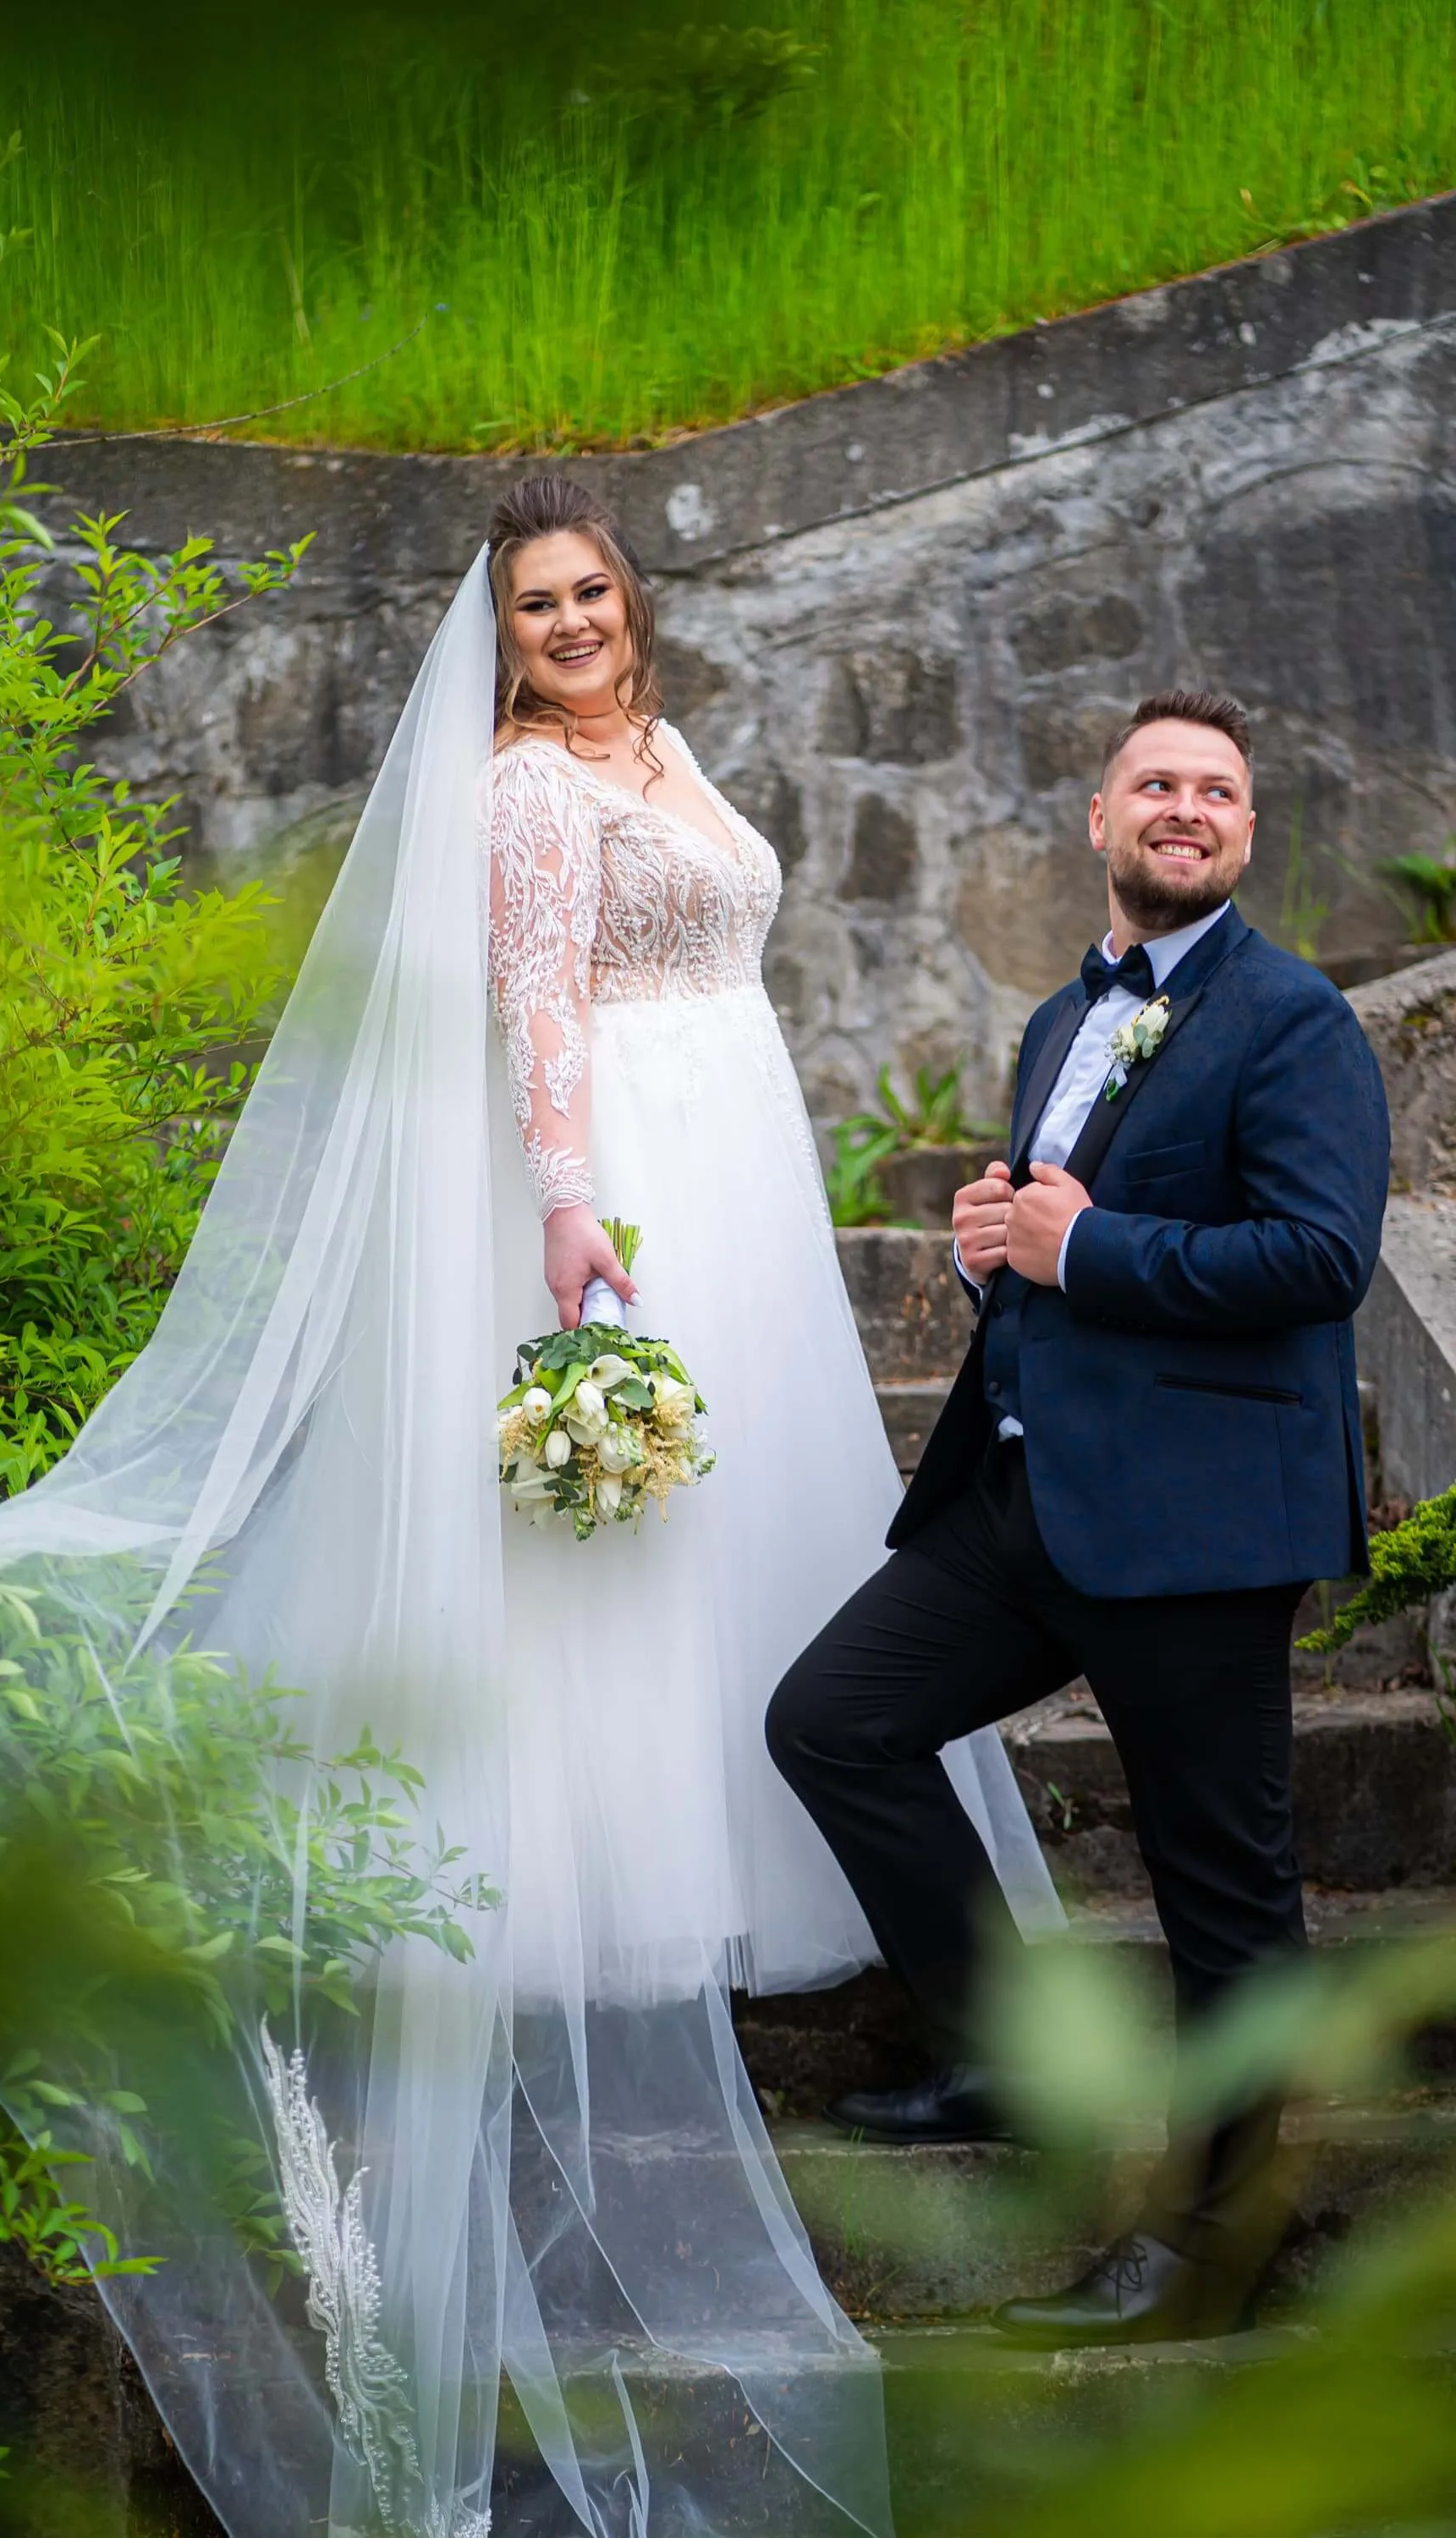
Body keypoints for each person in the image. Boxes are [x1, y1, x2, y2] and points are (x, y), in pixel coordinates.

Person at [0, 471, 1055, 2538]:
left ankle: (756, 1856)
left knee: (745, 1564)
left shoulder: (648, 746)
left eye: (589, 590)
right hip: (630, 1189)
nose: (568, 622)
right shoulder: (527, 794)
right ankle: (609, 1881)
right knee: (617, 1561)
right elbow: (538, 1008)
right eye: (533, 604)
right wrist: (573, 1214)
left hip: (738, 1179)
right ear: (496, 631)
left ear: (631, 601)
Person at [766, 688, 1392, 2346]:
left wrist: (1083, 1250)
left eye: (1217, 791)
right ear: (1097, 822)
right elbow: (1060, 1223)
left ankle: (1219, 2255)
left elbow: (1320, 1258)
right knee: (832, 1720)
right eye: (1154, 784)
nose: (1185, 808)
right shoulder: (1064, 1020)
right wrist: (999, 1238)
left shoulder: (1295, 1022)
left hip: (1194, 1529)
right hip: (1023, 1499)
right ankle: (1002, 2054)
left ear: (1243, 835)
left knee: (1226, 1905)